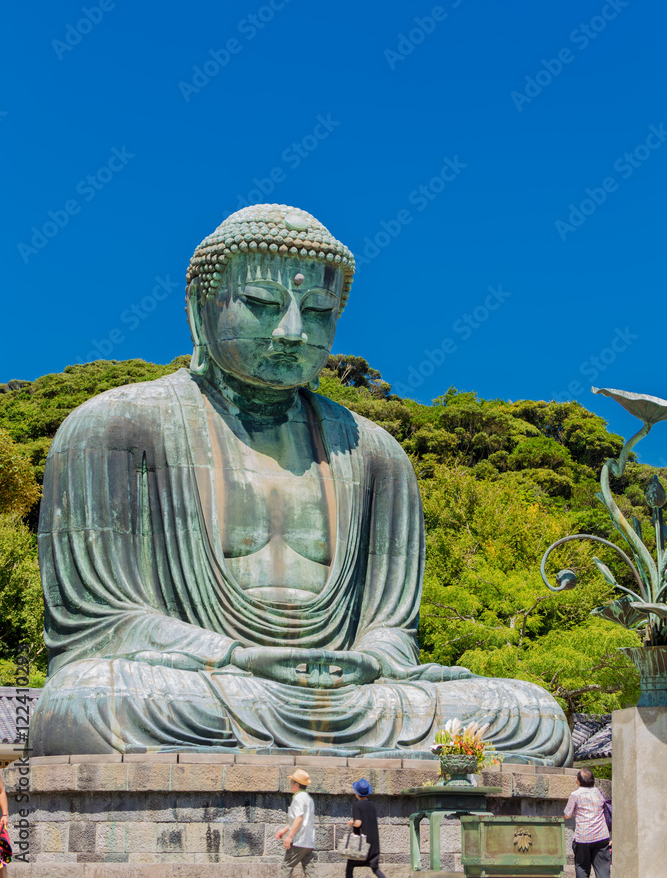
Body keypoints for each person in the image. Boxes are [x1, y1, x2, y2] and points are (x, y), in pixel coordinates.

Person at [31, 203, 572, 765]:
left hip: (349, 695)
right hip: (209, 685)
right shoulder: (114, 428)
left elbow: (390, 630)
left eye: (317, 311)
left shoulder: (374, 453)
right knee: (90, 699)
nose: (292, 331)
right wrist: (235, 658)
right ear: (200, 309)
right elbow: (100, 625)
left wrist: (371, 659)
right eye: (263, 305)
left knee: (529, 712)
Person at [564, 767, 611, 878]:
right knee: (603, 871)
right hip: (601, 836)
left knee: (582, 869)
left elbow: (567, 815)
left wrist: (577, 811)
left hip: (583, 838)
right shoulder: (599, 792)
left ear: (579, 780)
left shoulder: (575, 795)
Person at [276, 768, 316, 877]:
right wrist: (284, 830)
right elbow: (298, 819)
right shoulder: (308, 798)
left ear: (297, 785)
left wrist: (289, 836)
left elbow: (298, 819)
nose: (290, 785)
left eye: (291, 782)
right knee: (309, 869)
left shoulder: (298, 798)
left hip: (299, 840)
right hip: (308, 840)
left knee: (287, 866)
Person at [345, 778, 386, 878]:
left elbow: (358, 823)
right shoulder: (372, 805)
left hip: (361, 845)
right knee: (375, 868)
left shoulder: (357, 805)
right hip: (374, 844)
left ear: (356, 793)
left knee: (350, 867)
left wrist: (351, 823)